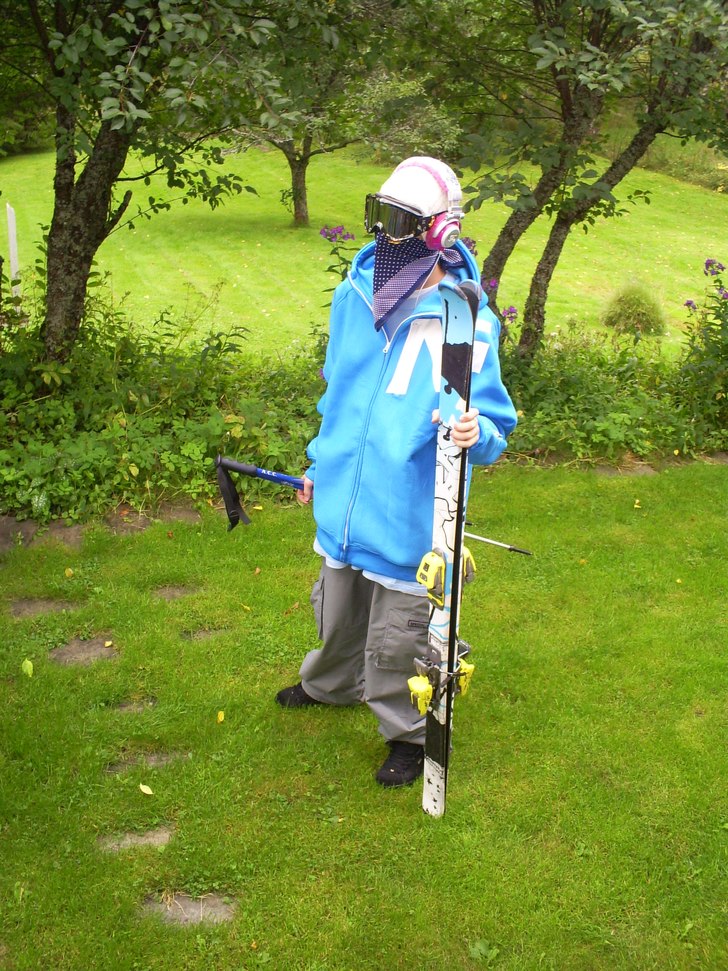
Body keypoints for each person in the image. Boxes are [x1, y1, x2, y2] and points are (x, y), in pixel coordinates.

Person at [276, 156, 517, 788]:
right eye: (378, 216)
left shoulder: (469, 322)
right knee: (336, 614)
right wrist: (316, 464)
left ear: (442, 230)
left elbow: (493, 425)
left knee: (395, 640)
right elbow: (338, 395)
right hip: (344, 507)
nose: (386, 234)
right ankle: (328, 685)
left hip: (409, 518)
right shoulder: (351, 298)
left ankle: (409, 734)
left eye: (402, 221)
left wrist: (477, 434)